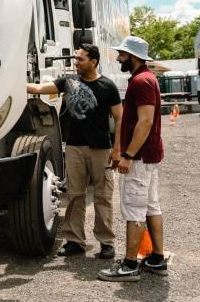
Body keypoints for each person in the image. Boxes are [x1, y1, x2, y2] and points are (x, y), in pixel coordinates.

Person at [26, 44, 122, 259]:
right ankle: (75, 241)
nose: (75, 62)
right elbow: (39, 89)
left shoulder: (108, 86)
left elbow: (119, 119)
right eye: (76, 58)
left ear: (93, 62)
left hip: (101, 149)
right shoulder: (68, 82)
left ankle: (106, 242)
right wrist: (14, 84)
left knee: (103, 196)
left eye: (80, 59)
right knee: (75, 196)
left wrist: (117, 149)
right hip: (74, 148)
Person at [98, 35, 168, 282]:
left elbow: (145, 121)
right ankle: (157, 259)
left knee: (134, 209)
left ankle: (129, 265)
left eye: (122, 54)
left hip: (139, 157)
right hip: (147, 155)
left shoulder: (141, 81)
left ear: (134, 56)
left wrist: (128, 155)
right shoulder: (146, 78)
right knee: (150, 206)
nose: (118, 58)